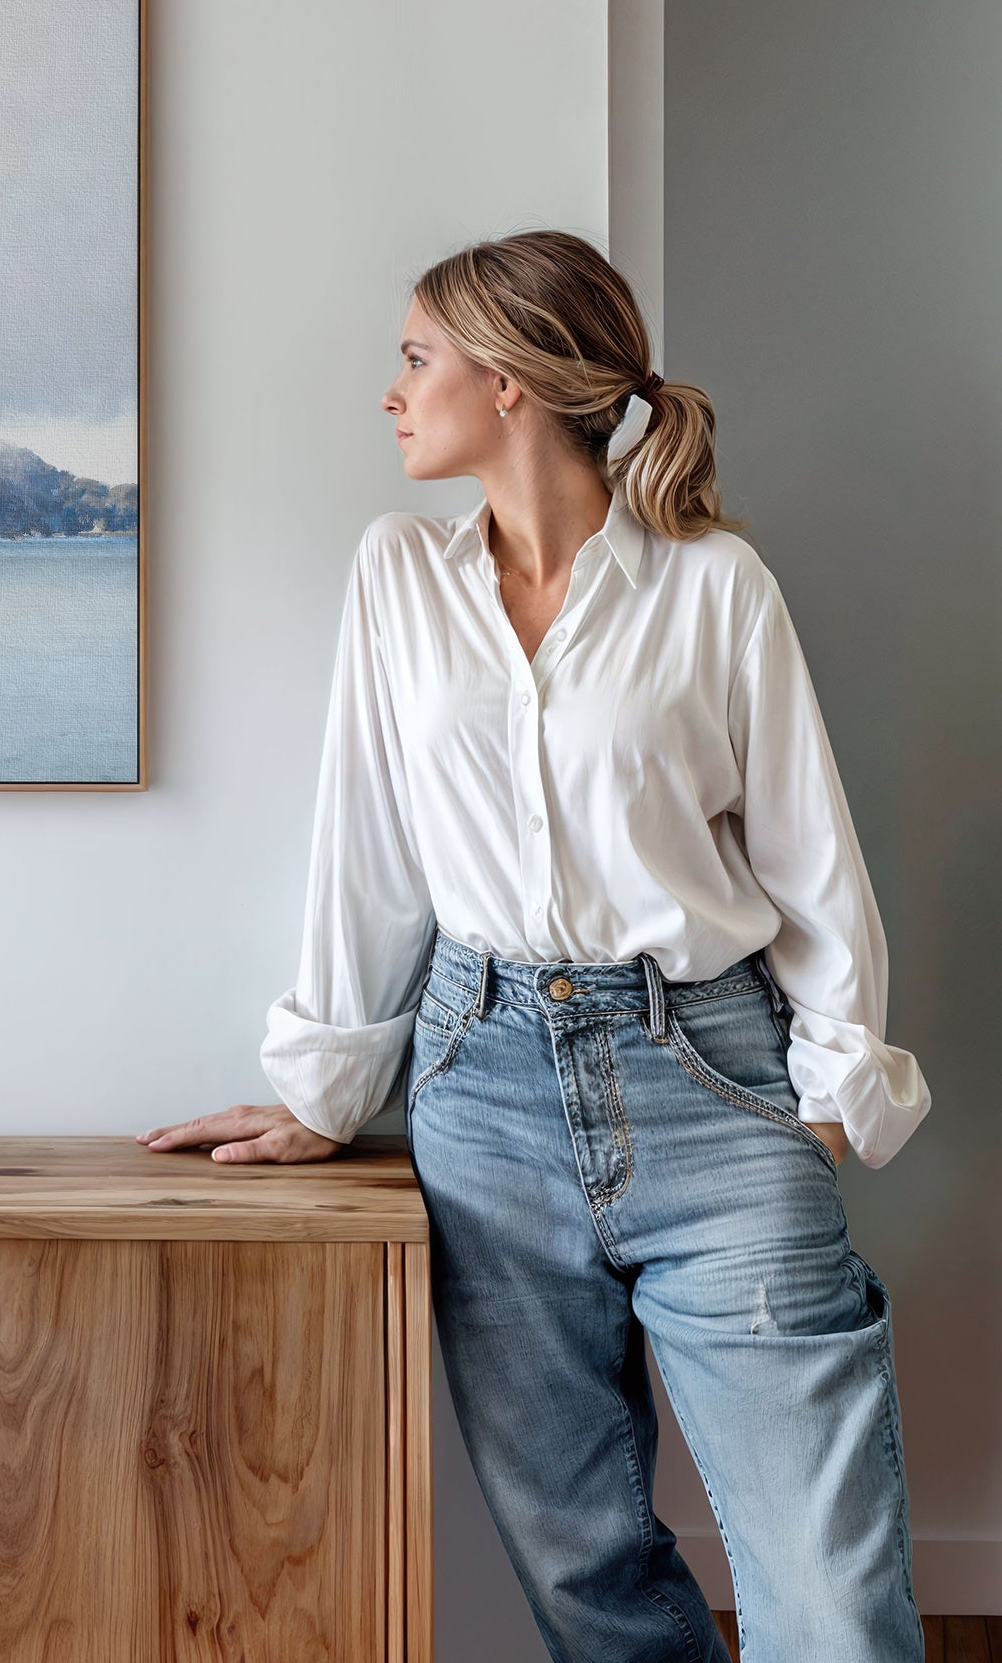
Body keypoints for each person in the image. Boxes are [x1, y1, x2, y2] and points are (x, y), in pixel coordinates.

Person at [138, 231, 931, 1662]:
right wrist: (329, 1089)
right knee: (587, 1577)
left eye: (415, 357)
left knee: (829, 1592)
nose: (391, 392)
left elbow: (813, 858)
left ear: (508, 384)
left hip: (713, 1076)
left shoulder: (714, 587)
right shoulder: (398, 578)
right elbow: (365, 847)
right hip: (481, 1088)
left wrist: (827, 1093)